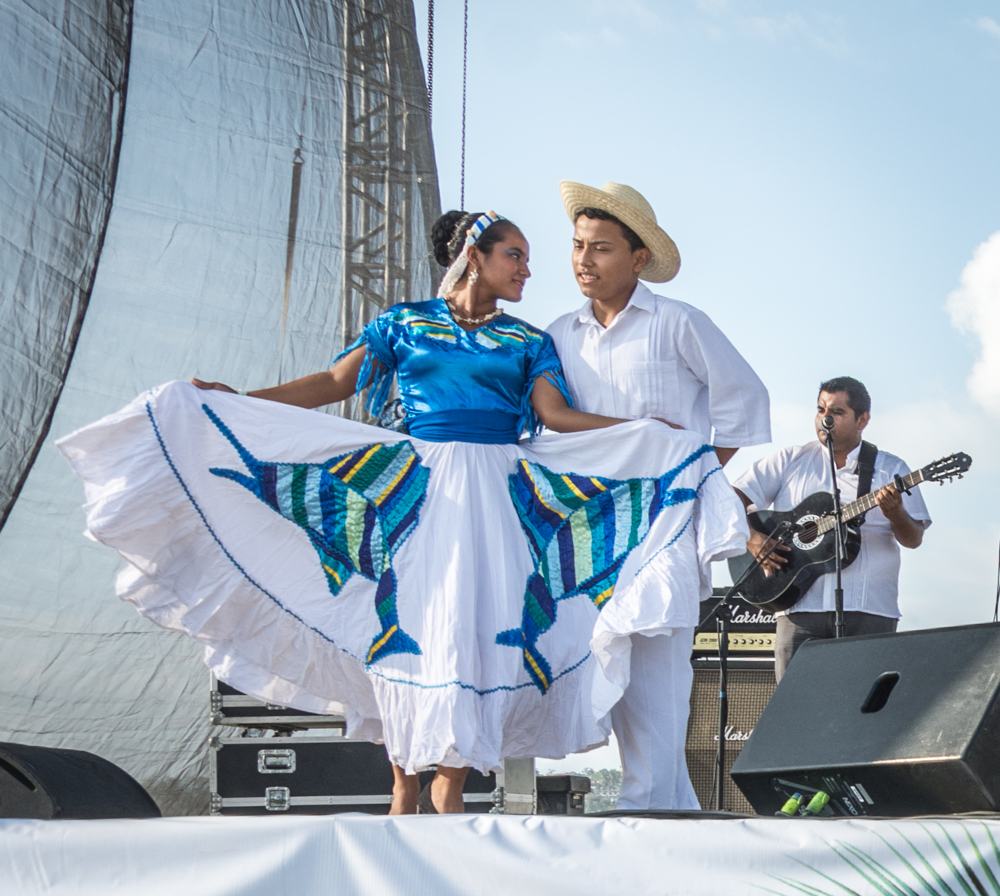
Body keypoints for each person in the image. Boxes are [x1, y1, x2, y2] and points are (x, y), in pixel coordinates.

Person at [58, 209, 748, 816]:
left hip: (494, 499)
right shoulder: (406, 324)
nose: (529, 270)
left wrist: (650, 434)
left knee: (473, 628)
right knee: (406, 622)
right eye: (516, 255)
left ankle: (451, 782)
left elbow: (555, 416)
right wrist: (240, 399)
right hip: (419, 490)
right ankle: (403, 785)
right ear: (474, 256)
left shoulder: (528, 340)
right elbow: (334, 382)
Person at [546, 181, 771, 812]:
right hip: (589, 532)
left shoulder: (678, 321)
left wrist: (695, 475)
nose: (584, 260)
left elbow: (746, 399)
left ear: (639, 257)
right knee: (601, 671)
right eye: (578, 246)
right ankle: (667, 819)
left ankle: (646, 815)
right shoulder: (558, 334)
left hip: (663, 530)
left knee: (656, 685)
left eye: (601, 248)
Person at [732, 376, 931, 681]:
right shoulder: (790, 460)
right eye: (820, 410)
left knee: (865, 703)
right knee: (794, 702)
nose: (825, 419)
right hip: (797, 608)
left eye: (837, 412)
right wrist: (753, 538)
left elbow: (913, 539)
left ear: (862, 420)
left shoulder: (891, 469)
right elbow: (729, 498)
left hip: (868, 610)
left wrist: (897, 514)